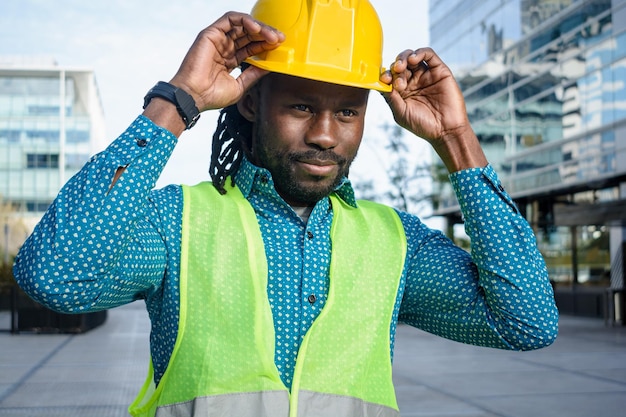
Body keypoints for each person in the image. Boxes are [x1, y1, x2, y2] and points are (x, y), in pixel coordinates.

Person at [13, 0, 558, 416]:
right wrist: (180, 98)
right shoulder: (176, 224)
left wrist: (457, 140)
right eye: (300, 105)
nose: (325, 135)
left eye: (348, 112)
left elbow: (527, 322)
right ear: (251, 100)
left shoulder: (397, 243)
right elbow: (56, 277)